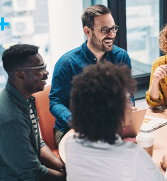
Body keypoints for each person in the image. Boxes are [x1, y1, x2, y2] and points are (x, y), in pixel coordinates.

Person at [64, 62, 167, 180]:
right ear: (113, 111)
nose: (132, 107)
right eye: (127, 101)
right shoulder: (134, 156)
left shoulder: (69, 144)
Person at [49, 4, 133, 147]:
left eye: (113, 28)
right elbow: (55, 102)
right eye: (105, 30)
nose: (111, 34)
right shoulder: (67, 63)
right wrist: (76, 121)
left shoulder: (121, 57)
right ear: (87, 31)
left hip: (110, 125)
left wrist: (129, 105)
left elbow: (128, 93)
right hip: (72, 129)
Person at [0, 44, 65, 180]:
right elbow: (33, 173)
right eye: (41, 69)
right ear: (20, 74)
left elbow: (36, 142)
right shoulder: (9, 118)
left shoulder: (22, 98)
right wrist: (71, 177)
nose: (47, 73)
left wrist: (62, 166)